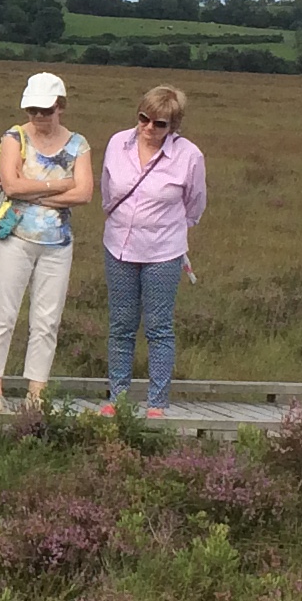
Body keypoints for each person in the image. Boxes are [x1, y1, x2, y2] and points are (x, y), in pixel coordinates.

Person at [0, 73, 92, 427]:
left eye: (46, 110)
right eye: (33, 109)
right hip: (13, 239)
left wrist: (33, 188)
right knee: (2, 314)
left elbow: (84, 193)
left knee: (47, 320)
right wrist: (59, 185)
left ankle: (36, 393)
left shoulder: (79, 144)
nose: (39, 116)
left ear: (61, 106)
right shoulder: (15, 136)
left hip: (57, 245)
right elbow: (10, 185)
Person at [98, 84, 208, 417]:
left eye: (159, 124)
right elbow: (106, 190)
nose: (148, 128)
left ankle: (157, 403)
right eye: (144, 118)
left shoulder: (190, 156)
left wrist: (168, 230)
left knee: (159, 327)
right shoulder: (118, 143)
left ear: (174, 126)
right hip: (118, 247)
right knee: (121, 325)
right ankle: (117, 398)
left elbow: (195, 204)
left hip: (163, 252)